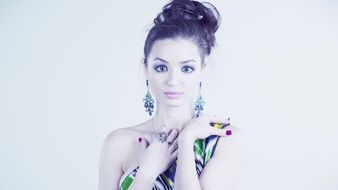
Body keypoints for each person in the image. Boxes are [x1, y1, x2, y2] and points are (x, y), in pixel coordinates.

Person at [98, 0, 245, 189]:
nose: (173, 80)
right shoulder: (118, 143)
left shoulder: (223, 140)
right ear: (145, 69)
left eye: (186, 68)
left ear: (202, 71)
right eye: (161, 67)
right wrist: (145, 175)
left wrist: (186, 142)